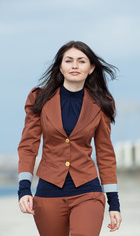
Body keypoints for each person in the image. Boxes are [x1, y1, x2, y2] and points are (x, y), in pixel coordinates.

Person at [17, 40, 122, 236]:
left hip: (88, 190)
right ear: (60, 66)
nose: (75, 65)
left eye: (81, 61)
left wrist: (113, 203)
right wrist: (24, 189)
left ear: (91, 68)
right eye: (69, 60)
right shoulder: (38, 99)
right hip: (48, 193)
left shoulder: (102, 104)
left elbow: (105, 153)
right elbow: (28, 147)